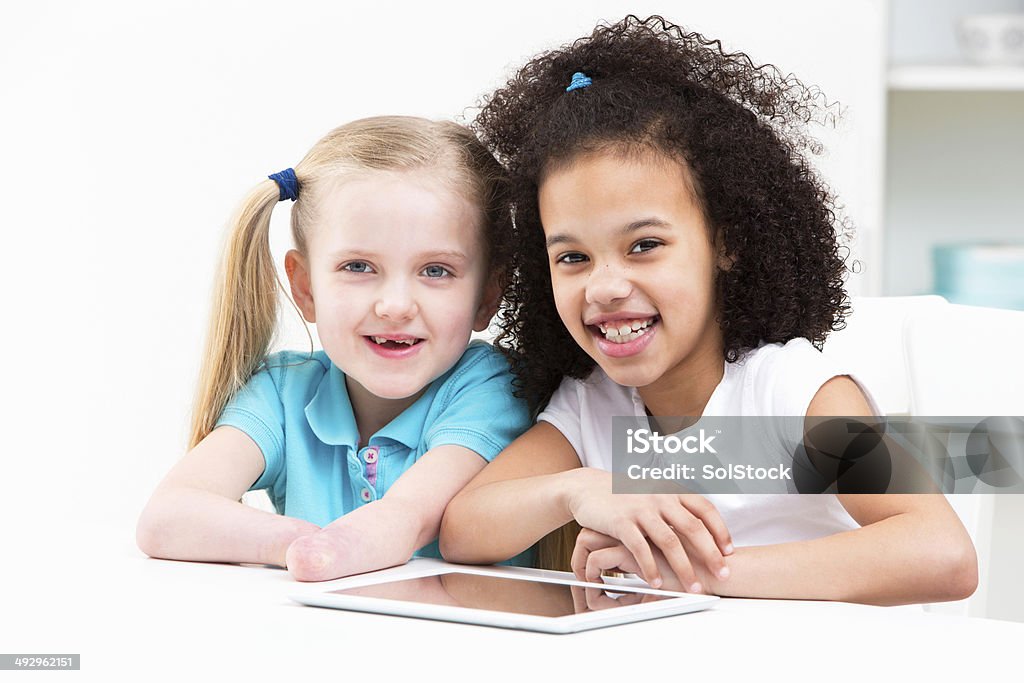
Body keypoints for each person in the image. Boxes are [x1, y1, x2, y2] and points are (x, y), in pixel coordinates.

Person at [439, 16, 978, 605]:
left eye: (644, 245)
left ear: (726, 242)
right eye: (572, 257)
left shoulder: (790, 390)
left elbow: (942, 553)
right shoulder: (593, 405)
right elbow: (464, 530)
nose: (605, 286)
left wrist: (690, 576)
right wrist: (578, 490)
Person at [137, 116, 531, 582]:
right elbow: (167, 516)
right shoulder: (284, 392)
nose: (395, 306)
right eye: (359, 266)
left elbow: (405, 517)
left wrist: (321, 551)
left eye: (436, 271)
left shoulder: (490, 386)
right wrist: (296, 544)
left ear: (487, 295)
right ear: (305, 287)